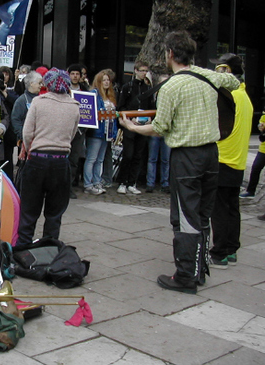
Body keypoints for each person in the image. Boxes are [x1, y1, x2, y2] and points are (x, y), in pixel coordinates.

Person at [120, 30, 240, 294]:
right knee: (203, 215)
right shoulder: (207, 76)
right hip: (211, 154)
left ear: (171, 54)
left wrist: (133, 127)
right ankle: (200, 270)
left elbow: (160, 127)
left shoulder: (171, 86)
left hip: (187, 157)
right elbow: (232, 82)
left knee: (185, 217)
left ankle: (186, 276)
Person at [16, 69, 80, 246]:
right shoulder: (74, 106)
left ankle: (23, 246)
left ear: (47, 84)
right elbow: (72, 134)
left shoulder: (38, 102)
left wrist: (28, 148)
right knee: (55, 211)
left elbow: (27, 133)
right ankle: (50, 246)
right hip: (60, 160)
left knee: (29, 208)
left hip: (37, 158)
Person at [208, 53, 253, 268]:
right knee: (232, 207)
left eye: (220, 68)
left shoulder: (228, 94)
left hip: (223, 158)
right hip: (238, 161)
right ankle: (232, 250)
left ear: (227, 71)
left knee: (220, 209)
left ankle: (220, 253)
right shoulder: (245, 96)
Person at [116, 61, 152, 195]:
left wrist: (149, 118)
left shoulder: (147, 88)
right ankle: (122, 181)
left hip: (143, 126)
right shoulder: (128, 87)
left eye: (145, 71)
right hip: (130, 126)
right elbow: (121, 107)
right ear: (136, 71)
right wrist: (129, 119)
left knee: (138, 155)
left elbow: (150, 106)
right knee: (128, 154)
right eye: (141, 70)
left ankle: (132, 182)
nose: (143, 73)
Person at [83, 70, 117, 195]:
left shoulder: (110, 96)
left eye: (108, 80)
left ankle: (97, 181)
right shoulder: (94, 94)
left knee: (100, 159)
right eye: (104, 80)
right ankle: (88, 184)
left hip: (107, 131)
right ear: (99, 82)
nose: (107, 82)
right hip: (97, 131)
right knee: (91, 158)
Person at [67, 64, 89, 198]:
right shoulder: (64, 90)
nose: (75, 76)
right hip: (65, 129)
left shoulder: (85, 90)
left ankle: (69, 186)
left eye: (77, 74)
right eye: (72, 74)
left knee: (74, 159)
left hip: (80, 130)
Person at [0, 67, 19, 180]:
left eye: (6, 74)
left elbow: (16, 103)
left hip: (7, 132)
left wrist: (5, 94)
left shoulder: (9, 92)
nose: (4, 77)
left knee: (7, 160)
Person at [239, 109, 265, 199]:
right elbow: (261, 123)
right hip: (263, 148)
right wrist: (261, 126)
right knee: (256, 167)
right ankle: (250, 191)